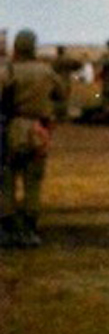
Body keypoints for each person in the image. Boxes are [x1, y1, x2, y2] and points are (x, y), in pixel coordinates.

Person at [1, 29, 64, 248]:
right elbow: (61, 93)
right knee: (33, 181)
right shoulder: (46, 71)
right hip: (40, 129)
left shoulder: (8, 71)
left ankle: (8, 230)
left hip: (15, 127)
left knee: (7, 179)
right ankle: (29, 230)